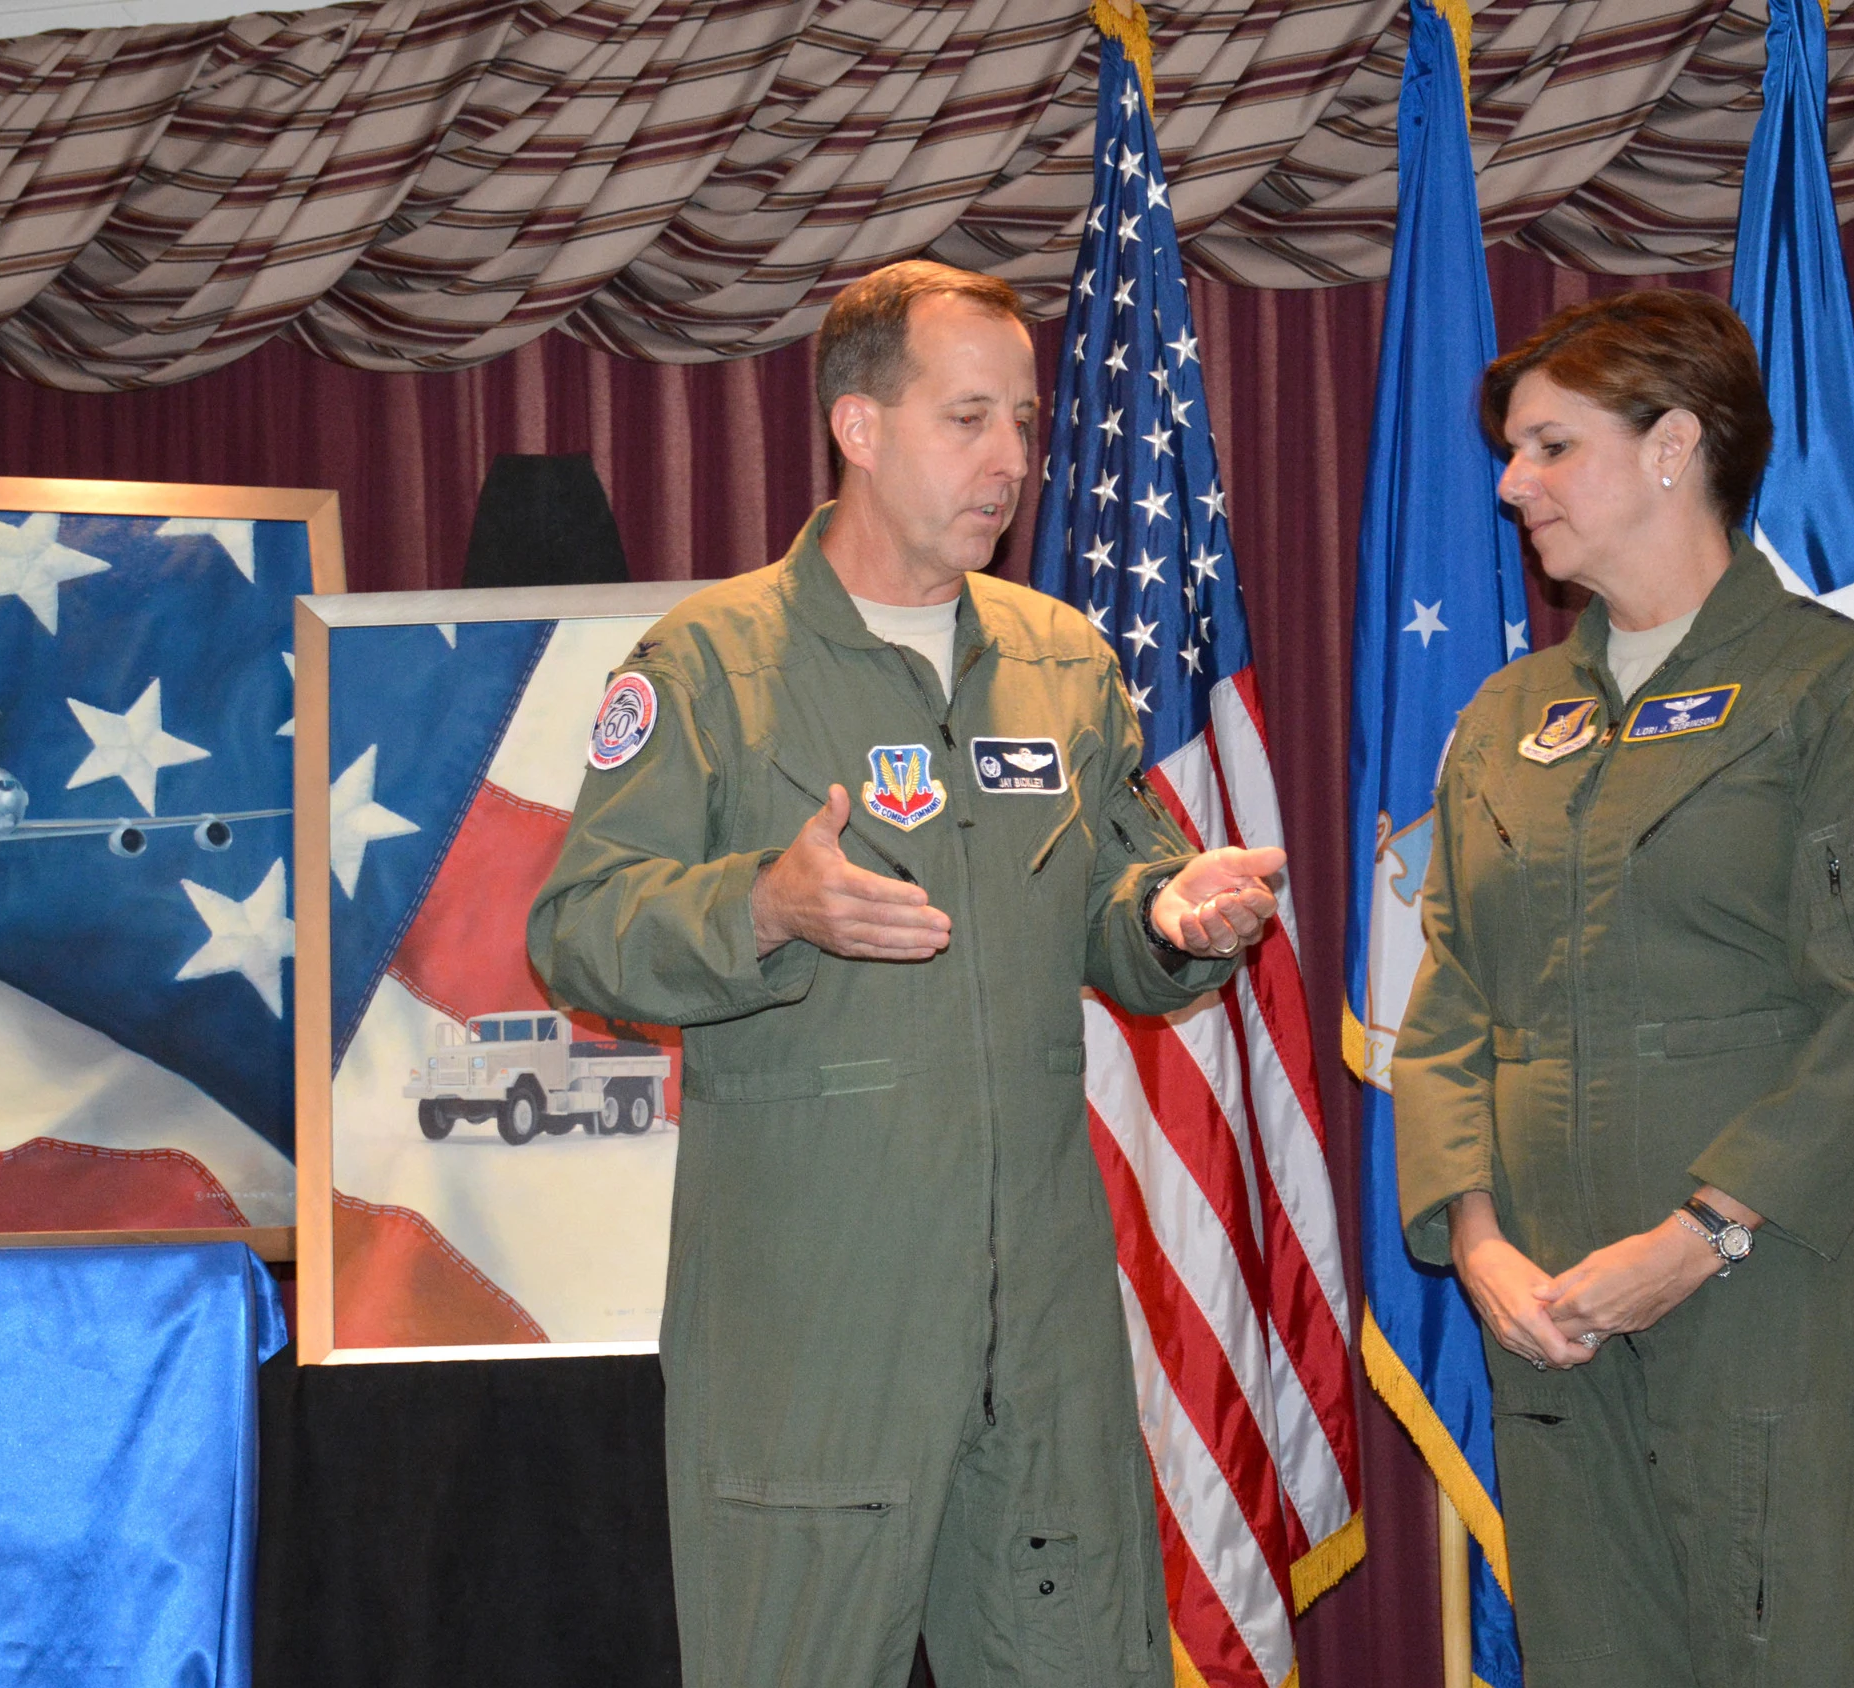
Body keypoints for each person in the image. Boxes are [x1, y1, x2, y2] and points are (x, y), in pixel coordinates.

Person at [527, 260, 1286, 1688]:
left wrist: (1175, 916)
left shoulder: (1062, 661)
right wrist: (763, 903)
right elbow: (579, 927)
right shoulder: (712, 664)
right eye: (966, 418)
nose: (1009, 459)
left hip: (1040, 1321)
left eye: (1024, 420)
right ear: (858, 428)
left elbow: (1115, 898)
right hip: (820, 1325)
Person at [1395, 289, 1854, 1687]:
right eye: (1514, 453)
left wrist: (1702, 1236)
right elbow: (1451, 1002)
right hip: (1552, 1324)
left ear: (1672, 448)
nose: (1513, 485)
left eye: (1550, 446)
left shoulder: (1839, 696)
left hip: (1765, 1310)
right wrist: (1475, 1242)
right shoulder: (1506, 720)